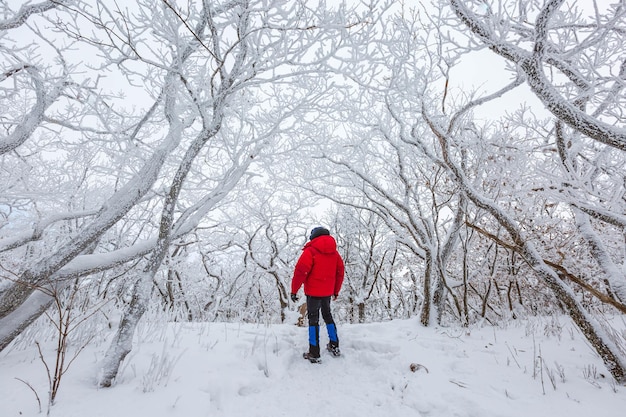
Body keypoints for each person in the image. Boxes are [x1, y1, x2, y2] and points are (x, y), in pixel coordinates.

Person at [291, 226, 345, 363]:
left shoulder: (311, 251)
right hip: (327, 292)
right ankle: (334, 345)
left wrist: (294, 290)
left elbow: (300, 272)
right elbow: (340, 272)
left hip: (313, 292)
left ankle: (314, 352)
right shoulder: (335, 253)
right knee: (328, 316)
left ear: (313, 237)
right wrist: (336, 291)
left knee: (313, 319)